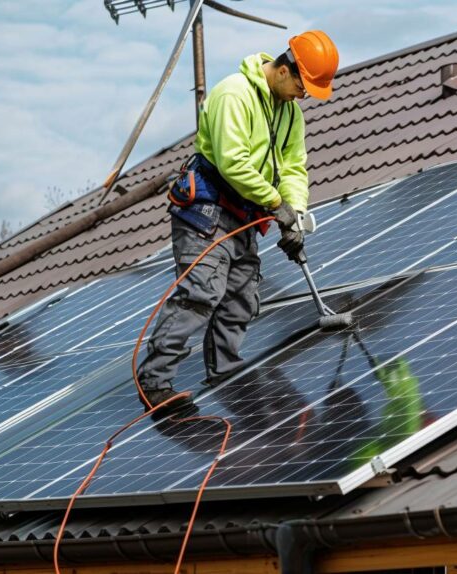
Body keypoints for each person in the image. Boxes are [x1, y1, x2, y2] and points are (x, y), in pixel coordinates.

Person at [136, 31, 340, 410]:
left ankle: (225, 372)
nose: (304, 95)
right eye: (302, 85)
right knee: (201, 294)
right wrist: (275, 202)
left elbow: (294, 167)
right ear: (284, 69)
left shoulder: (289, 113)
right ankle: (155, 381)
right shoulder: (234, 94)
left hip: (244, 214)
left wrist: (293, 212)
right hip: (207, 213)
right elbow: (233, 163)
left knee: (242, 296)